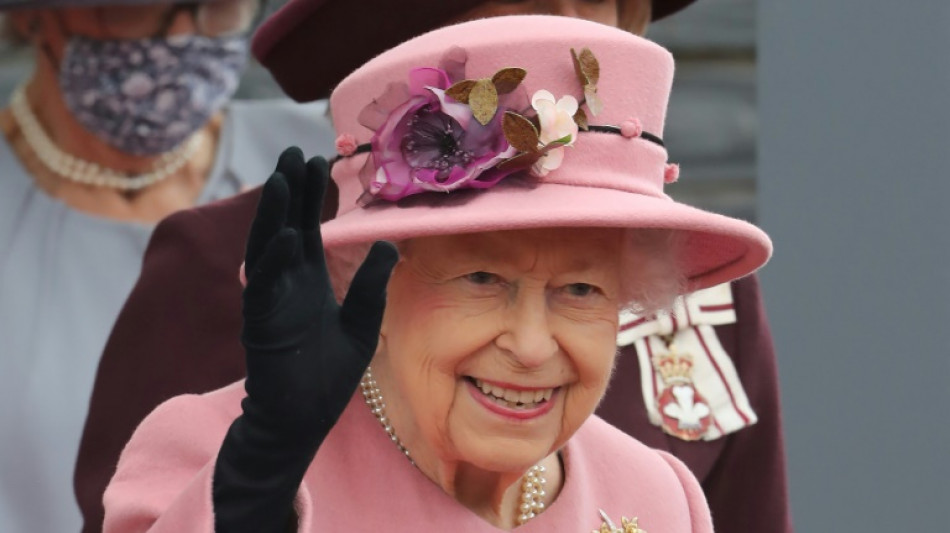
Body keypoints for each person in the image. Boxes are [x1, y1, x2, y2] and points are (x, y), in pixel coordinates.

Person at [77, 1, 794, 532]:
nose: (532, 344)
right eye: (482, 279)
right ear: (366, 277)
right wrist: (257, 484)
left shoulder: (661, 499)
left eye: (582, 289)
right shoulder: (212, 455)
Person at [0, 0, 333, 530]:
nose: (183, 35)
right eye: (132, 9)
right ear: (31, 16)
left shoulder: (327, 167)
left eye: (220, 6)